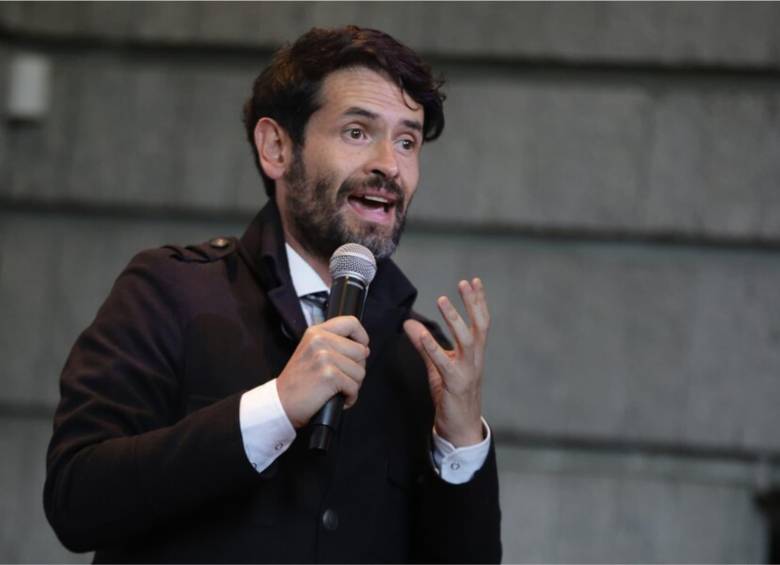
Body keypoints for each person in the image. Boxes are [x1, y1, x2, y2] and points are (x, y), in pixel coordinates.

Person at [44, 26, 501, 563]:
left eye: (407, 140)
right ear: (276, 147)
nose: (389, 165)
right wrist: (276, 407)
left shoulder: (418, 350)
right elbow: (77, 499)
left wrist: (461, 440)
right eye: (358, 132)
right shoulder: (170, 291)